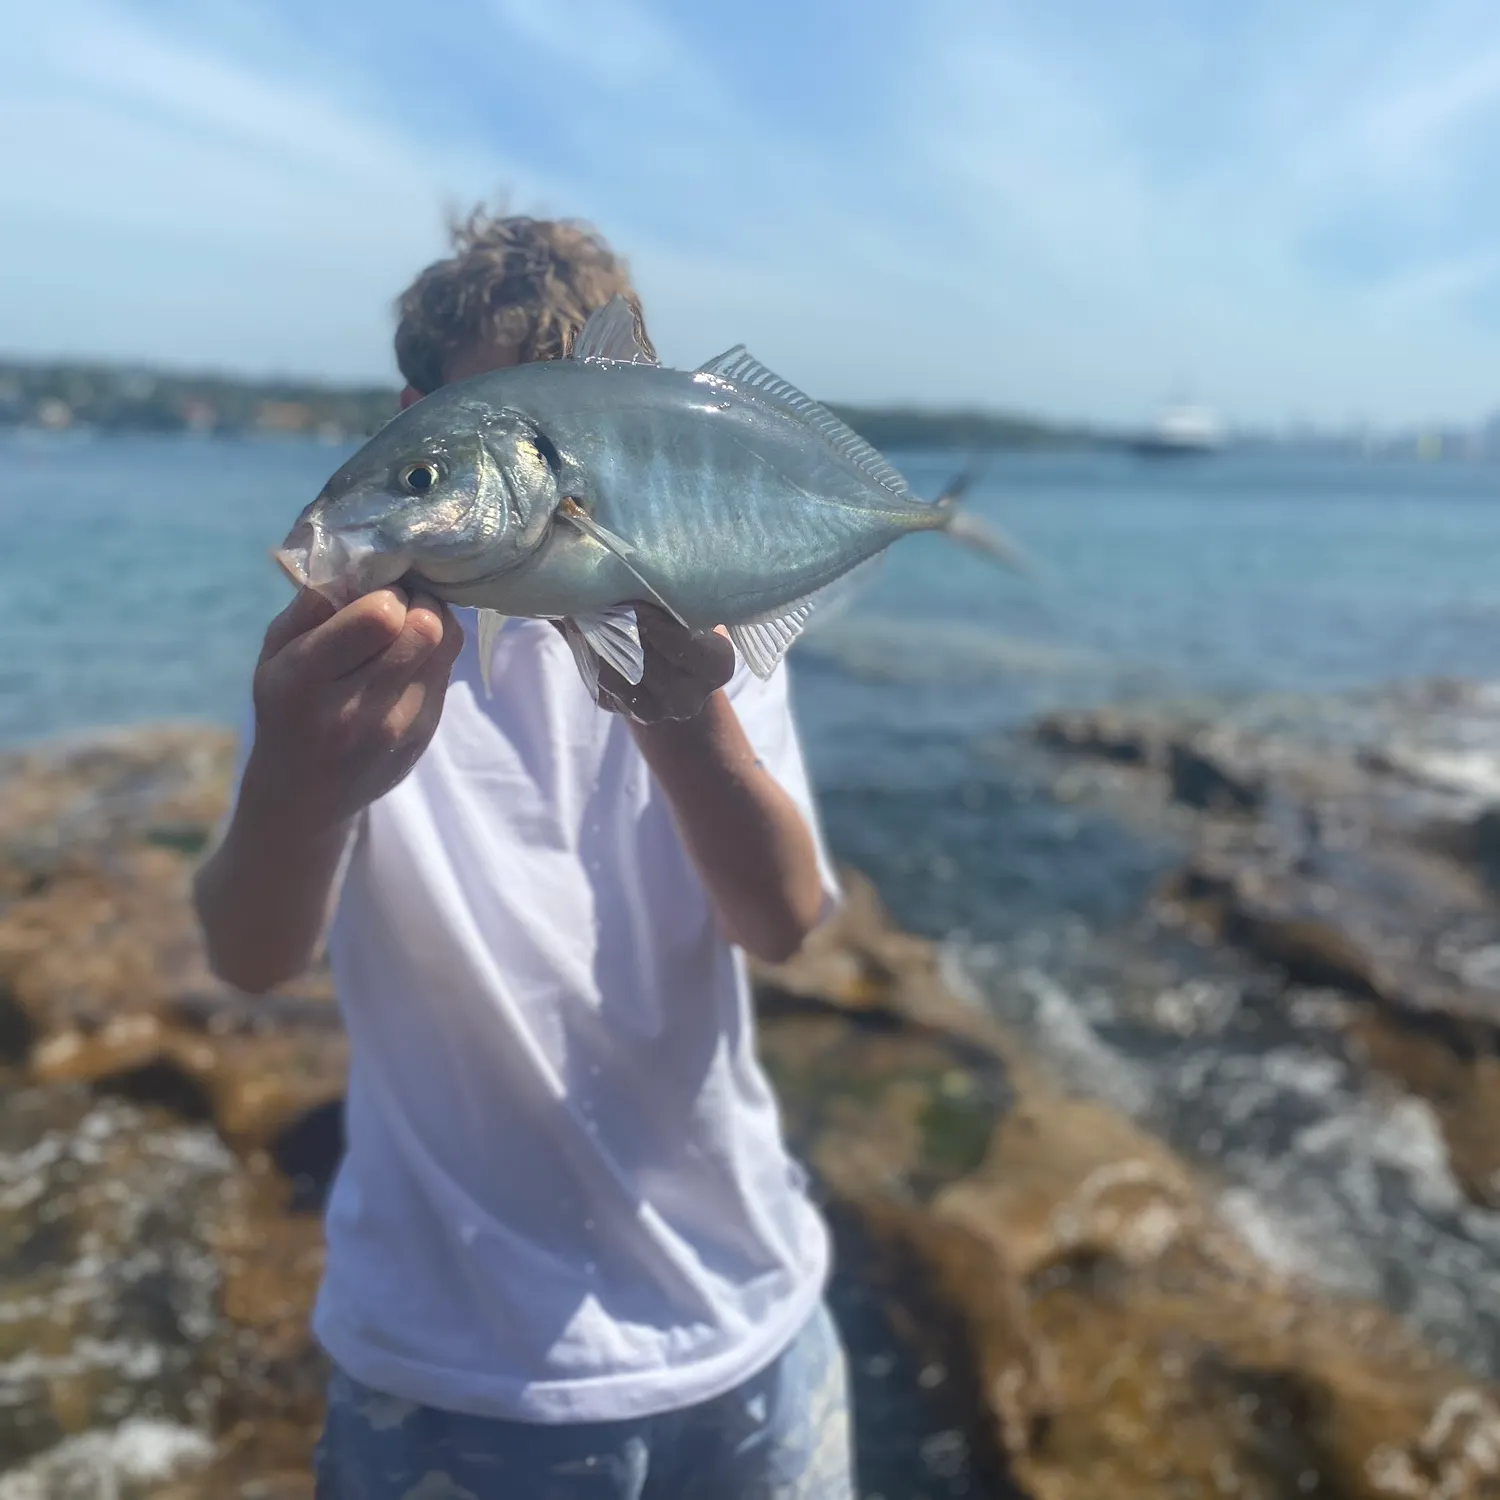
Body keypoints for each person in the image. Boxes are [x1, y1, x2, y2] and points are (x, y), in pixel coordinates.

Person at [192, 208, 855, 1498]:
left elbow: (782, 920)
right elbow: (253, 956)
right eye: (493, 427)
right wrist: (291, 782)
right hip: (451, 1355)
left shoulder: (702, 624)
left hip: (746, 1317)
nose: (574, 488)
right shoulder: (361, 661)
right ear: (413, 415)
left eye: (611, 443)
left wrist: (682, 709)